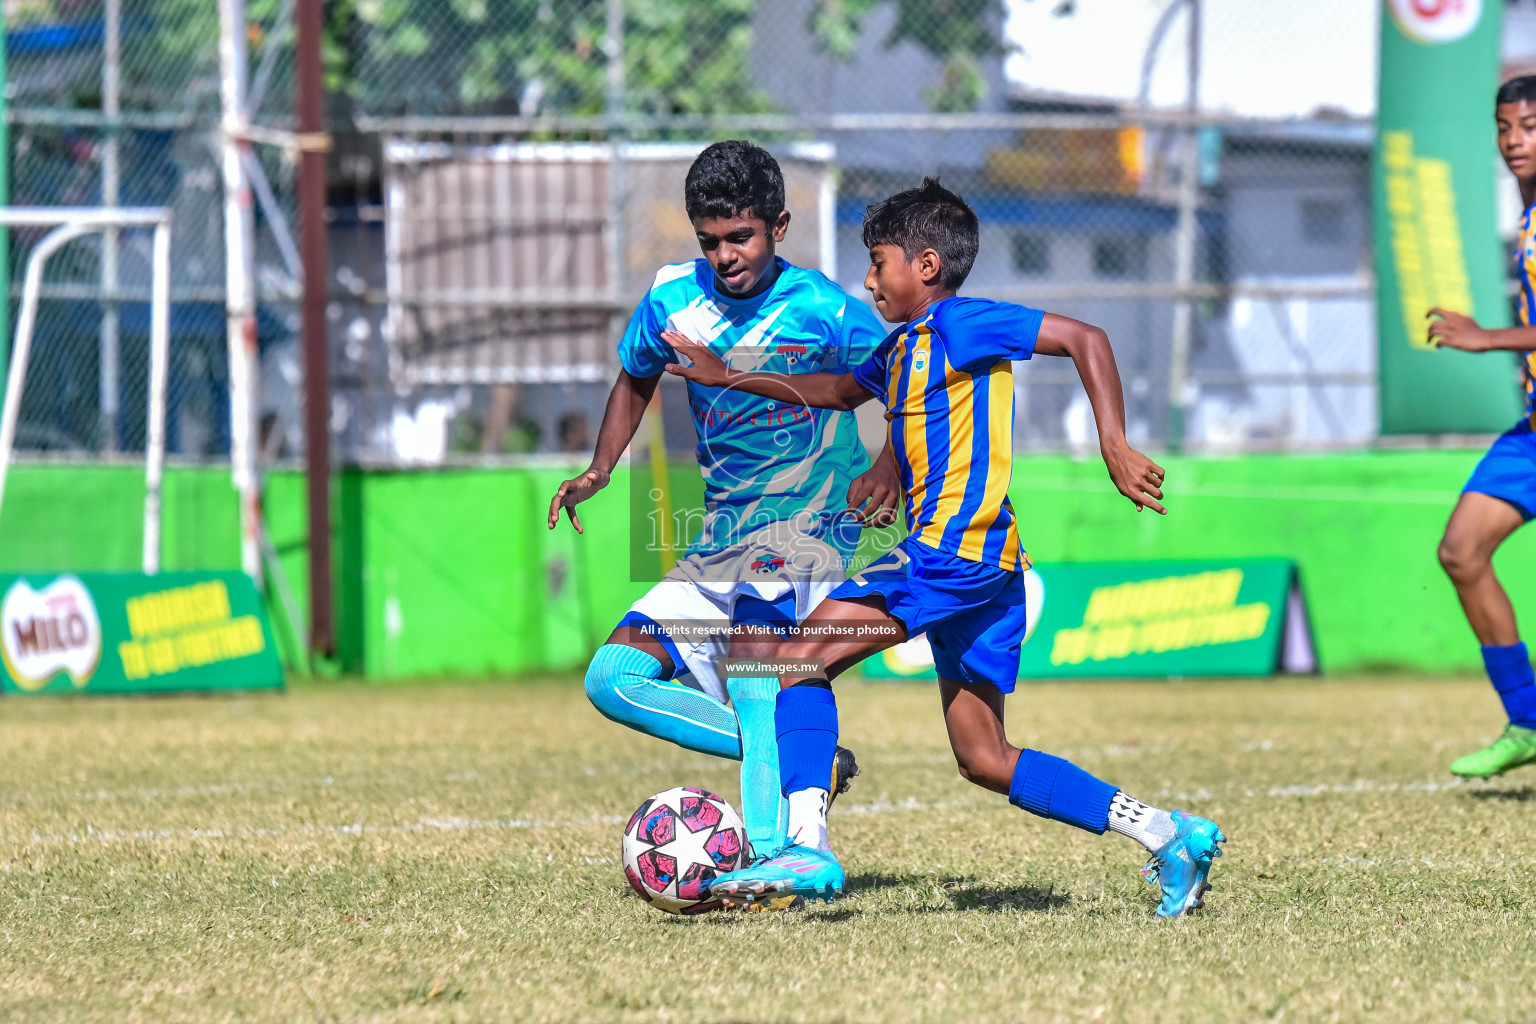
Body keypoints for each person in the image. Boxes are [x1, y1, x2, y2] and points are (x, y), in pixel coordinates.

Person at [664, 177, 1227, 918]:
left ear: (926, 266)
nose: (868, 278)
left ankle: (804, 844)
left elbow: (1086, 338)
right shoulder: (902, 347)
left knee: (792, 659)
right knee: (983, 757)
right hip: (986, 568)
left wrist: (1114, 445)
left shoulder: (963, 323)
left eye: (879, 261)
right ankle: (1167, 834)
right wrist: (729, 376)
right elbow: (837, 390)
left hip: (949, 554)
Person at [548, 141, 901, 897]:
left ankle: (778, 854)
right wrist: (600, 469)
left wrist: (888, 464)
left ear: (777, 226)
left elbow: (910, 381)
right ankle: (806, 760)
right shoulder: (673, 298)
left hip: (806, 529)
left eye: (739, 237)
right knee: (614, 678)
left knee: (753, 665)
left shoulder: (825, 308)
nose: (725, 254)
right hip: (721, 539)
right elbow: (635, 376)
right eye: (710, 240)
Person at [1426, 74, 1536, 778]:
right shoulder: (1526, 220)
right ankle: (1526, 719)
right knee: (1462, 551)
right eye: (1504, 129)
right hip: (1531, 433)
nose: (1513, 141)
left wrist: (1489, 337)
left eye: (1527, 127)